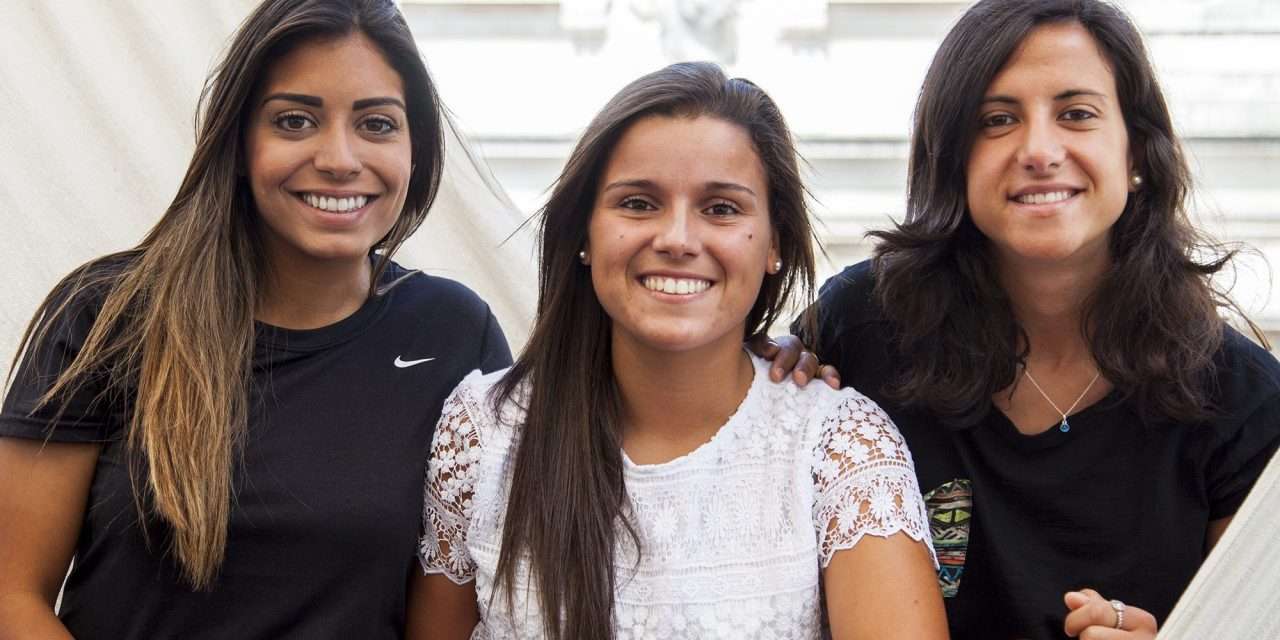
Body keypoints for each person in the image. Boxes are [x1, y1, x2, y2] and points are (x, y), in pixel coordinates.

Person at [0, 1, 510, 637]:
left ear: (417, 148)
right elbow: (12, 594)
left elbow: (465, 603)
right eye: (295, 121)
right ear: (239, 142)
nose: (339, 158)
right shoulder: (109, 316)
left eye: (378, 124)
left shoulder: (454, 334)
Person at [773, 0, 1280, 638]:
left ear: (1137, 154)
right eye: (997, 119)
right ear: (953, 158)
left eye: (1077, 114)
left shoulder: (1244, 402)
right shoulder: (863, 326)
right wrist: (775, 371)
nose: (1039, 150)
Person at [407, 62, 948, 640]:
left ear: (776, 245)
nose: (677, 239)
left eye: (721, 208)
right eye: (639, 203)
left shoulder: (840, 451)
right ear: (583, 234)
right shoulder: (483, 432)